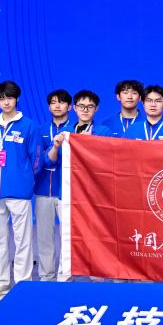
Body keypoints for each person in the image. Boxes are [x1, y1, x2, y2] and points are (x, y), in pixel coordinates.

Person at [0, 81, 45, 299]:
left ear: (17, 99)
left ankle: (23, 283)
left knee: (22, 239)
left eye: (9, 98)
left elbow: (37, 158)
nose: (6, 102)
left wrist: (25, 179)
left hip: (19, 192)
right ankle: (0, 282)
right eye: (1, 99)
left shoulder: (28, 125)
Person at [51, 89, 112, 282]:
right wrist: (56, 146)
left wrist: (89, 142)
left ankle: (97, 276)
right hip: (69, 192)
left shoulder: (103, 132)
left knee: (96, 235)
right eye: (81, 106)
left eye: (90, 106)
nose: (85, 110)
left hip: (94, 194)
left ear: (96, 109)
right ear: (74, 108)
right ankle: (65, 276)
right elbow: (49, 160)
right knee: (67, 235)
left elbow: (108, 161)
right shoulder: (65, 132)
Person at [33, 89, 74, 283]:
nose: (57, 106)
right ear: (49, 107)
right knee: (44, 236)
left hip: (67, 191)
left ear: (70, 107)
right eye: (53, 102)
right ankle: (46, 275)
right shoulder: (39, 129)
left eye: (62, 102)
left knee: (67, 236)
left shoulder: (75, 130)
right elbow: (38, 159)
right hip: (43, 189)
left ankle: (65, 276)